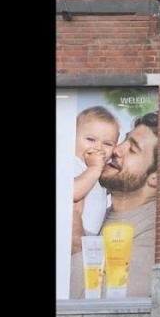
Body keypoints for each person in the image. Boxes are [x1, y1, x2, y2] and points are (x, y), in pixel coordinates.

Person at [70, 112, 158, 299]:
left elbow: (108, 307)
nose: (116, 149)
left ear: (156, 178)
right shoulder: (98, 208)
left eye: (132, 149)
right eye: (124, 140)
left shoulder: (155, 235)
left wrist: (74, 237)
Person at [70, 106, 120, 254]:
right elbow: (72, 192)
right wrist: (94, 169)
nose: (98, 147)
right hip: (74, 235)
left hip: (92, 237)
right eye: (91, 139)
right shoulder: (74, 163)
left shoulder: (100, 168)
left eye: (107, 144)